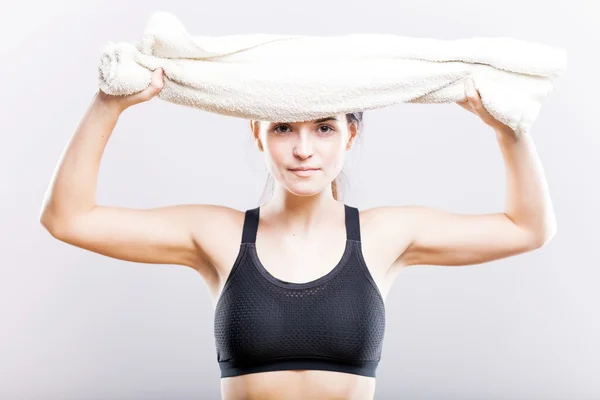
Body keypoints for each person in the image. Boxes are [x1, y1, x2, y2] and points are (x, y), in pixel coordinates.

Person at [39, 68, 557, 400]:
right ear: (256, 133)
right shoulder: (217, 235)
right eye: (284, 128)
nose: (304, 149)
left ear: (350, 134)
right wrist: (109, 103)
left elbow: (528, 228)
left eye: (324, 127)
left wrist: (508, 128)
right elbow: (68, 217)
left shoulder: (384, 235)